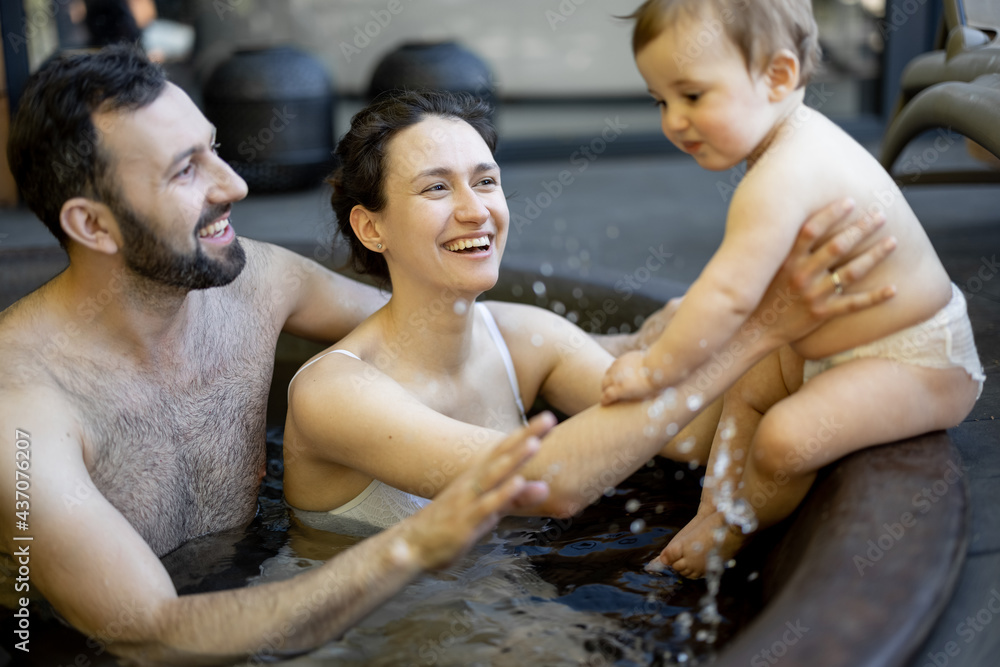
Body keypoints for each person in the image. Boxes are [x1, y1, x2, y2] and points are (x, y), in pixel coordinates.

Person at [0, 46, 883, 664]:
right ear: (91, 225)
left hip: (317, 579)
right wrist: (412, 544)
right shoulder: (23, 419)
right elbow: (147, 631)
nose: (233, 182)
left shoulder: (253, 282)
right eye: (188, 168)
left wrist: (703, 325)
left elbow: (428, 315)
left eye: (217, 148)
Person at [280, 89, 897, 542]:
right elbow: (550, 486)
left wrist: (816, 340)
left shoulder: (521, 337)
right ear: (371, 226)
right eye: (436, 188)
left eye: (486, 181)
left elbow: (681, 433)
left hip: (495, 603)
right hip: (363, 643)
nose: (476, 211)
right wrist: (763, 331)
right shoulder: (334, 392)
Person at [600, 0, 985, 578]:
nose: (673, 121)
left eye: (693, 96)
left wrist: (656, 368)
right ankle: (714, 502)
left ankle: (731, 531)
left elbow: (727, 295)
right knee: (746, 388)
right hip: (834, 346)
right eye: (661, 101)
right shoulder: (786, 150)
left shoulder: (784, 173)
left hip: (918, 360)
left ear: (778, 76)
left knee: (786, 437)